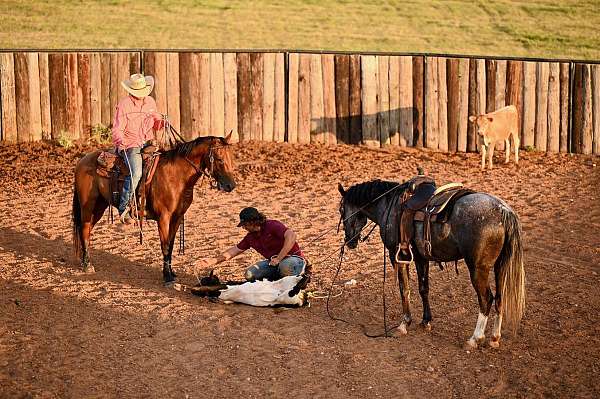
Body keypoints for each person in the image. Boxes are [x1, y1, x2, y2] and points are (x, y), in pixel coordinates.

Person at [195, 207, 306, 282]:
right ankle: (278, 279)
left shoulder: (272, 225)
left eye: (245, 224)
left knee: (285, 266)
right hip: (274, 263)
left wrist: (279, 257)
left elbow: (291, 236)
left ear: (253, 222)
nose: (244, 227)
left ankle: (302, 275)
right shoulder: (250, 237)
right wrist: (213, 261)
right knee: (250, 275)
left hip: (292, 259)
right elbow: (234, 251)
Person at [112, 73, 164, 224]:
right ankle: (124, 208)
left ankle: (152, 203)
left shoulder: (150, 102)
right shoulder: (124, 104)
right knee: (136, 173)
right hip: (130, 144)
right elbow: (117, 128)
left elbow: (156, 124)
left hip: (148, 142)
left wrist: (161, 123)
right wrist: (120, 140)